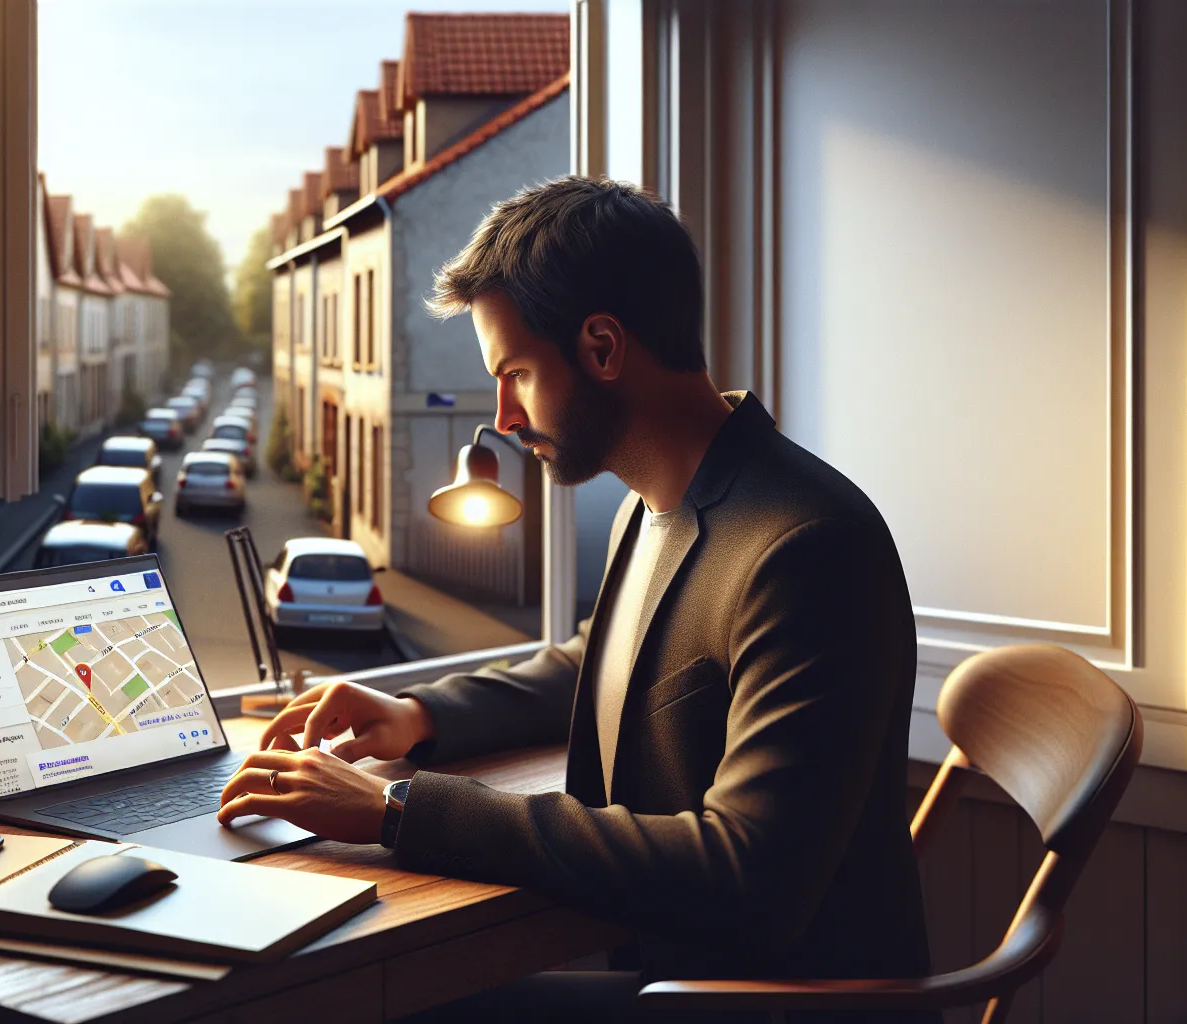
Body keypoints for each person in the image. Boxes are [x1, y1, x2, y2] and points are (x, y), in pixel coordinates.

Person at [216, 176, 930, 1019]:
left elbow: (750, 874)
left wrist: (395, 808)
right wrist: (418, 716)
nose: (504, 419)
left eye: (514, 373)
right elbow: (599, 660)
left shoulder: (808, 547)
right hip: (671, 969)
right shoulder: (659, 502)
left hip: (758, 999)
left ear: (601, 347)